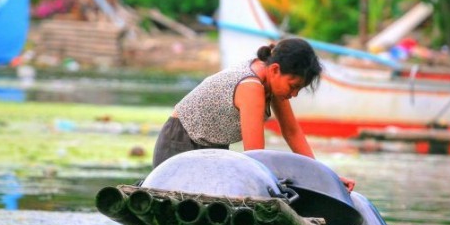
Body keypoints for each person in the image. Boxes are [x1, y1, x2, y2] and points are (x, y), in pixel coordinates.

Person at [152, 38, 356, 191]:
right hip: (180, 144)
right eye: (292, 86)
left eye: (298, 90)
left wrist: (326, 177)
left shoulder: (272, 81)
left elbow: (292, 133)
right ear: (275, 69)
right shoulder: (251, 87)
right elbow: (255, 158)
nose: (292, 95)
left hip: (212, 149)